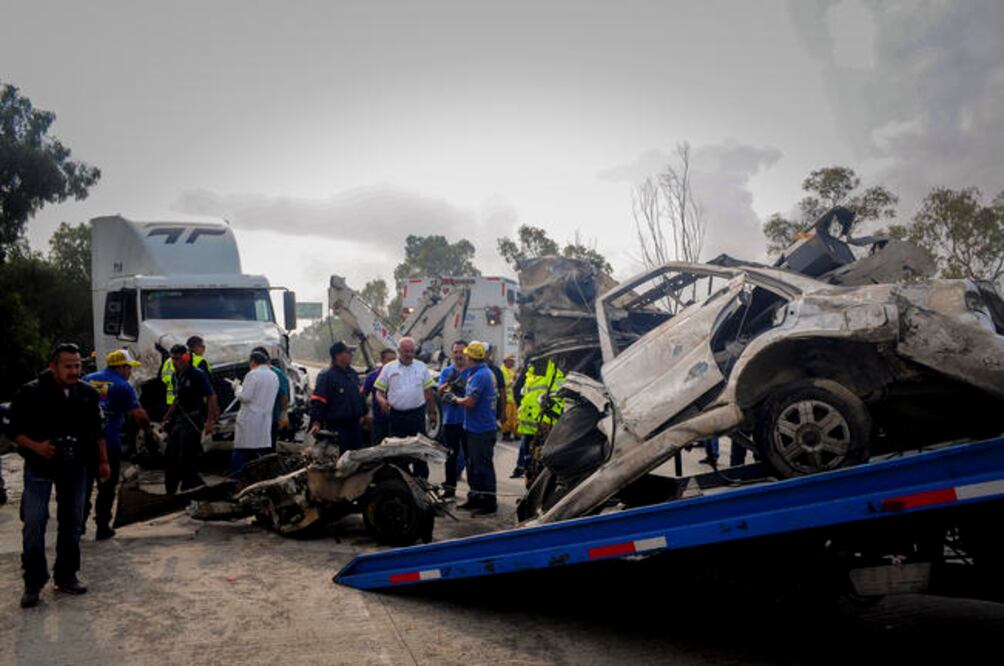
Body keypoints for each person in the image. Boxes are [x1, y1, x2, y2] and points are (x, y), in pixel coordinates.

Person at [8, 343, 110, 608]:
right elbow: (13, 430)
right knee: (34, 521)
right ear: (53, 366)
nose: (74, 371)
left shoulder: (87, 393)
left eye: (78, 365)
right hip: (39, 467)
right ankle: (33, 582)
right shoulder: (31, 392)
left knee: (73, 522)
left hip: (75, 466)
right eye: (69, 366)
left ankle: (66, 576)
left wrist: (103, 462)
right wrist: (37, 447)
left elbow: (97, 431)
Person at [83, 349, 157, 541]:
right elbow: (139, 415)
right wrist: (149, 433)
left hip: (83, 443)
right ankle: (102, 526)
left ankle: (78, 524)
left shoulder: (88, 379)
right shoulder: (123, 386)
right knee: (106, 487)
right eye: (129, 367)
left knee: (83, 485)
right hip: (109, 444)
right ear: (121, 367)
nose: (130, 372)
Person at [374, 336, 438, 479]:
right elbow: (378, 391)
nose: (409, 354)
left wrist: (432, 413)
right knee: (397, 451)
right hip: (396, 417)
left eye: (411, 351)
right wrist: (382, 401)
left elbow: (429, 392)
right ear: (399, 351)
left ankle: (421, 481)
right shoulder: (388, 368)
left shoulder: (421, 367)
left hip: (417, 415)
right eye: (406, 351)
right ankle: (401, 480)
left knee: (419, 451)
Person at [448, 341, 498, 515]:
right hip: (477, 427)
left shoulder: (480, 376)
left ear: (471, 357)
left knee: (483, 466)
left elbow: (470, 402)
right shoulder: (481, 373)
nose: (463, 357)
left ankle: (489, 502)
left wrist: (454, 399)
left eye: (466, 355)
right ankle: (475, 497)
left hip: (481, 430)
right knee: (473, 465)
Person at [163, 344, 218, 494]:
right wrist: (166, 418)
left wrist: (209, 422)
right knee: (170, 456)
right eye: (173, 359)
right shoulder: (176, 375)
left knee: (186, 457)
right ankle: (171, 491)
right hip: (179, 420)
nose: (175, 362)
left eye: (178, 358)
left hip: (193, 420)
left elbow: (211, 396)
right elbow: (177, 400)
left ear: (186, 357)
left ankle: (193, 489)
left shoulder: (197, 374)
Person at [229, 350, 280, 478]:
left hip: (249, 420)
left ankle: (235, 482)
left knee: (240, 453)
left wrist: (237, 388)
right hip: (264, 421)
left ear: (252, 362)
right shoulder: (273, 376)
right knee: (259, 454)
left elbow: (245, 397)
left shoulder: (252, 374)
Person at [512, 358, 564, 478]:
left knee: (541, 468)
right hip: (528, 429)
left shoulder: (555, 371)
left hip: (544, 429)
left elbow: (558, 397)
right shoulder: (531, 371)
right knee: (529, 467)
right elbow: (526, 396)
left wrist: (546, 420)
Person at [309, 341, 367, 451]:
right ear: (338, 355)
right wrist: (316, 422)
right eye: (348, 352)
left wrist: (363, 413)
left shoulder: (352, 374)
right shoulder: (327, 376)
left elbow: (360, 395)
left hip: (355, 427)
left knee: (356, 460)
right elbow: (319, 400)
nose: (351, 355)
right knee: (340, 460)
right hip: (337, 428)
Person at [437, 340, 468, 498]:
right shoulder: (447, 371)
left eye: (461, 352)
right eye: (455, 352)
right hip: (450, 421)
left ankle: (476, 493)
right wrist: (448, 382)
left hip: (469, 422)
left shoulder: (471, 371)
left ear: (467, 353)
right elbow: (440, 392)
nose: (458, 355)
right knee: (450, 456)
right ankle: (449, 489)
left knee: (471, 458)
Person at [159, 335, 211, 409]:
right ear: (197, 347)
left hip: (170, 401)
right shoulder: (199, 361)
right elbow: (207, 385)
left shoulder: (168, 361)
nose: (204, 349)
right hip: (192, 403)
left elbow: (162, 379)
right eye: (203, 347)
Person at [251, 346, 289, 450]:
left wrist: (283, 414)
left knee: (268, 448)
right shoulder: (254, 373)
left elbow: (283, 395)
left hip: (271, 418)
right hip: (257, 418)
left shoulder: (276, 373)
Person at [363, 348, 397, 446]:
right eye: (389, 360)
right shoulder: (372, 376)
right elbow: (362, 396)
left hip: (396, 421)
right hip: (378, 421)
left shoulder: (400, 375)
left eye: (394, 360)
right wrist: (365, 414)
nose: (392, 363)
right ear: (382, 361)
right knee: (377, 450)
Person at [500, 355, 519, 440]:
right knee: (507, 417)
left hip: (512, 398)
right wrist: (511, 381)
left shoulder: (512, 370)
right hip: (506, 398)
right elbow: (502, 384)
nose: (513, 363)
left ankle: (516, 433)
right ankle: (506, 434)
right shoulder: (502, 370)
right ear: (506, 361)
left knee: (514, 417)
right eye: (511, 361)